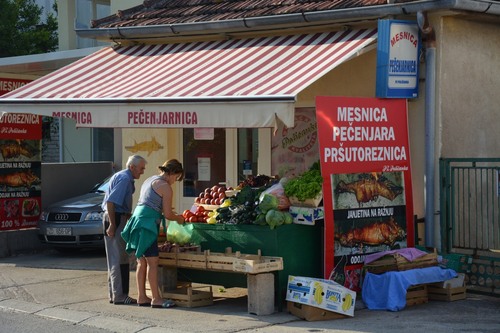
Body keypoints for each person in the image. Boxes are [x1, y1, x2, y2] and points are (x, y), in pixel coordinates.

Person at [121, 159, 186, 308]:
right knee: (153, 261)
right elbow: (168, 214)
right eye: (176, 177)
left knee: (141, 261)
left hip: (137, 222)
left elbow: (151, 204)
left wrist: (167, 213)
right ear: (171, 173)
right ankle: (156, 299)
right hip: (147, 225)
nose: (175, 181)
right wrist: (179, 218)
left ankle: (142, 297)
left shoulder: (150, 179)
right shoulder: (165, 187)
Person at [102, 155, 147, 305]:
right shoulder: (125, 178)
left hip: (117, 217)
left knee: (115, 258)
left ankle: (114, 294)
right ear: (132, 167)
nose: (142, 172)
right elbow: (111, 202)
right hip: (115, 218)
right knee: (119, 258)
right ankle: (120, 296)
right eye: (141, 168)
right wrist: (113, 225)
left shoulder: (122, 176)